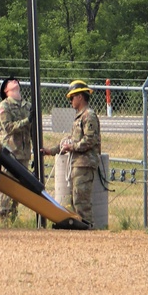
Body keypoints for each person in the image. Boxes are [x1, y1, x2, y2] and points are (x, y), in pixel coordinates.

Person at [52, 79, 101, 228]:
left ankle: (87, 228)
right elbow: (71, 139)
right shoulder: (79, 117)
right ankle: (81, 229)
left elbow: (89, 140)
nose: (70, 101)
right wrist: (51, 150)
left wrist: (72, 147)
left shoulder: (89, 116)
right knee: (76, 200)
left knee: (82, 202)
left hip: (85, 164)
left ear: (80, 97)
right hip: (78, 164)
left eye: (72, 98)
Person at [0, 76, 33, 223]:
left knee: (18, 188)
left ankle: (13, 218)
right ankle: (3, 218)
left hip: (24, 152)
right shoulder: (4, 106)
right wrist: (27, 121)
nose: (15, 81)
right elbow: (8, 127)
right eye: (10, 82)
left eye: (16, 81)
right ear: (6, 90)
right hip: (10, 152)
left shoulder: (27, 106)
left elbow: (33, 131)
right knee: (7, 185)